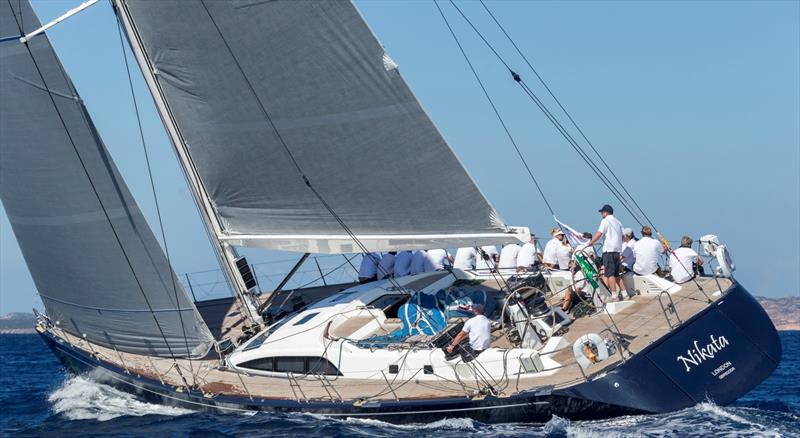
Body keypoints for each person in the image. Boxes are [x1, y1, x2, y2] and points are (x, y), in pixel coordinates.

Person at [588, 204, 624, 300]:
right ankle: (624, 293)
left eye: (602, 212)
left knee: (610, 274)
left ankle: (614, 294)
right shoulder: (618, 222)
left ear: (605, 212)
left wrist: (591, 242)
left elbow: (599, 233)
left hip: (608, 251)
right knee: (617, 274)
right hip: (617, 251)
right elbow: (623, 237)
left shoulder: (605, 221)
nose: (601, 214)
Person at [620, 228, 639, 298]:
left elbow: (622, 257)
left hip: (628, 267)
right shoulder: (626, 243)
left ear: (627, 236)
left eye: (623, 235)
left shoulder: (631, 244)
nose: (621, 237)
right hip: (626, 265)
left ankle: (623, 293)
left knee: (612, 272)